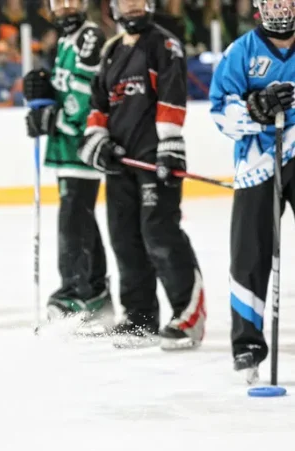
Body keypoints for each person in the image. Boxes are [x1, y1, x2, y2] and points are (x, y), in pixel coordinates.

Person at [78, 0, 205, 349]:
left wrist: (170, 144)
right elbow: (99, 105)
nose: (132, 4)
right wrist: (98, 140)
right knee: (124, 238)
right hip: (121, 165)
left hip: (155, 161)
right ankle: (139, 316)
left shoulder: (163, 44)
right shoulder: (111, 51)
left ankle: (187, 315)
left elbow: (172, 96)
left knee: (159, 234)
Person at [208, 0, 295, 379]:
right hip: (257, 164)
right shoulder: (239, 51)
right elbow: (219, 110)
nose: (281, 6)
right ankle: (247, 346)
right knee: (249, 254)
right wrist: (255, 109)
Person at [22, 0, 112, 333]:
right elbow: (64, 91)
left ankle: (83, 293)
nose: (65, 7)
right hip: (67, 147)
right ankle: (90, 292)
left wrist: (54, 117)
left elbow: (87, 95)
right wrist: (42, 97)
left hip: (82, 147)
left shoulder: (88, 36)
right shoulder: (64, 39)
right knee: (78, 218)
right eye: (58, 2)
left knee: (75, 220)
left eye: (72, 0)